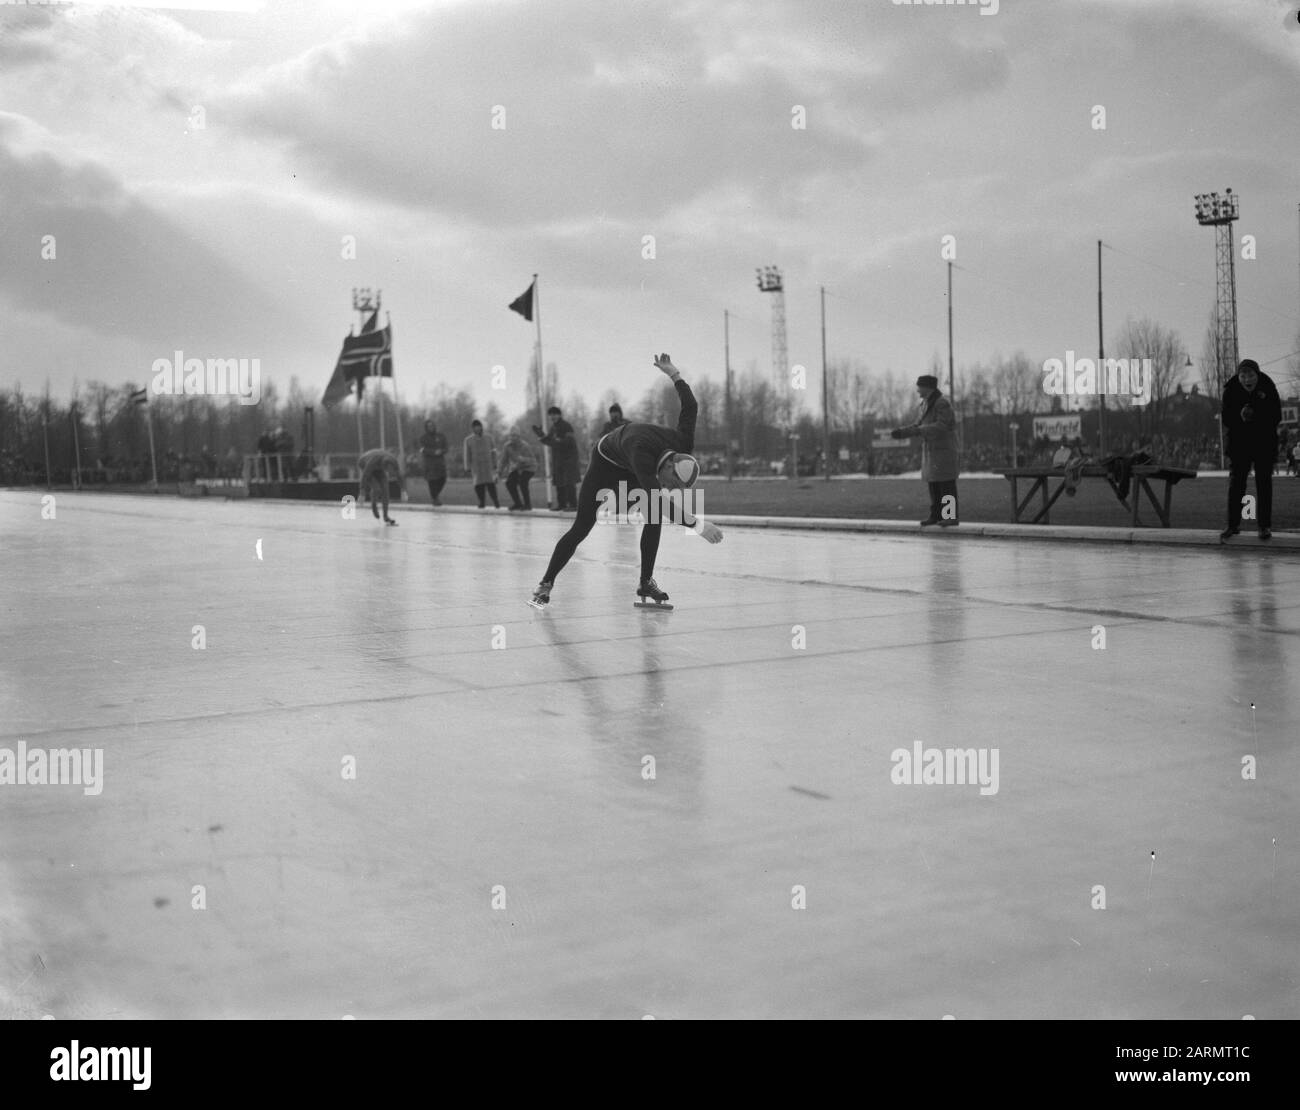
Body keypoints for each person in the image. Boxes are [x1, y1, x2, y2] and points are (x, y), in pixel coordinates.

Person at [530, 354, 723, 609]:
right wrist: (697, 525)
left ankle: (646, 581)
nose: (669, 488)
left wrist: (674, 374)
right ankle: (546, 583)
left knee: (653, 516)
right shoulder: (642, 453)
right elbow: (657, 497)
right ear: (669, 466)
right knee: (583, 526)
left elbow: (691, 406)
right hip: (605, 463)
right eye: (671, 484)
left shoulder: (682, 444)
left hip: (630, 463)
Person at [1220, 358, 1281, 542]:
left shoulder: (1268, 387)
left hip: (1263, 442)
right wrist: (1240, 417)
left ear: (1258, 375)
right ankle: (1233, 524)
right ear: (1238, 376)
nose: (1248, 379)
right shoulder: (1231, 390)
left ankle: (1264, 526)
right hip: (1240, 443)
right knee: (1237, 483)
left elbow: (1276, 415)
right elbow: (1226, 418)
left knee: (1264, 483)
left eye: (1251, 375)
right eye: (1243, 375)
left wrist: (1256, 416)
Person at [890, 374, 959, 526]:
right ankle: (936, 515)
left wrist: (920, 431)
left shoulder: (941, 403)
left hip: (944, 451)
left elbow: (943, 426)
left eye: (919, 386)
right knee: (934, 484)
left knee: (946, 484)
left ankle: (950, 516)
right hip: (932, 452)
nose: (917, 390)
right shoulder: (925, 404)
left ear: (927, 387)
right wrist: (903, 432)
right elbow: (918, 425)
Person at [533, 406, 580, 510]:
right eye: (551, 415)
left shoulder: (566, 426)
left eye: (554, 414)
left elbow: (569, 441)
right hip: (558, 459)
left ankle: (573, 505)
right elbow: (549, 441)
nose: (552, 417)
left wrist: (558, 441)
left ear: (559, 415)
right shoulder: (553, 428)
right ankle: (562, 504)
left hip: (569, 459)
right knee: (559, 482)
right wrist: (541, 435)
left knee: (569, 482)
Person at [357, 447, 401, 525]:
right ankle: (374, 505)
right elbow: (365, 475)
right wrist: (362, 492)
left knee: (385, 489)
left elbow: (399, 476)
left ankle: (386, 516)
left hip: (378, 465)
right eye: (387, 469)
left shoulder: (394, 462)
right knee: (376, 488)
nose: (389, 472)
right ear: (384, 465)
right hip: (364, 463)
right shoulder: (373, 461)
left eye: (390, 470)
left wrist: (403, 490)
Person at [463, 419, 501, 509]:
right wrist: (467, 466)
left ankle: (496, 501)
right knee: (478, 485)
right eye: (475, 427)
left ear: (481, 427)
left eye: (478, 427)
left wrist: (495, 463)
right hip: (476, 466)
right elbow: (467, 454)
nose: (477, 429)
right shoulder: (468, 440)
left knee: (491, 484)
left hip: (488, 465)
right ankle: (482, 502)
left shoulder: (489, 437)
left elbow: (494, 451)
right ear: (473, 429)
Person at [498, 432, 538, 510]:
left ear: (519, 437)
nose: (513, 438)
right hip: (517, 468)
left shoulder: (525, 446)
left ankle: (528, 505)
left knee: (523, 481)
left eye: (515, 436)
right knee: (509, 483)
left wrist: (523, 459)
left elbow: (532, 460)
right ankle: (518, 503)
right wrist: (499, 471)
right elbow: (503, 460)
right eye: (511, 436)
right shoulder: (507, 446)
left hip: (529, 467)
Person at [418, 420, 449, 505]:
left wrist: (441, 451)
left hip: (440, 463)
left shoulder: (441, 436)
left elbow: (446, 448)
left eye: (432, 425)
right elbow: (422, 449)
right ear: (426, 428)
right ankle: (435, 499)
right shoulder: (423, 438)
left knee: (442, 480)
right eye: (429, 426)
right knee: (432, 482)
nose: (431, 427)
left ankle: (436, 496)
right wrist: (433, 452)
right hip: (429, 464)